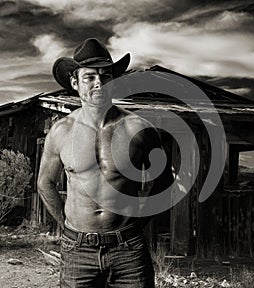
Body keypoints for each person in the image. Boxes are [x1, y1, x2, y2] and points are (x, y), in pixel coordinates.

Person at [37, 38, 173, 287]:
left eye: (106, 76)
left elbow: (164, 182)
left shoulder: (139, 129)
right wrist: (66, 227)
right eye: (89, 77)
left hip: (128, 250)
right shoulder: (61, 132)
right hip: (78, 250)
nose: (99, 83)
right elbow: (45, 183)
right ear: (75, 82)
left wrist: (137, 224)